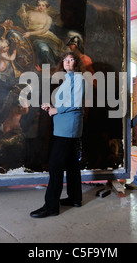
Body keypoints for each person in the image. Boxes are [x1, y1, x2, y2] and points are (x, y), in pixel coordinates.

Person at [30, 51, 85, 218]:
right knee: (72, 164)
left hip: (68, 128)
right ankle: (75, 198)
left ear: (76, 63)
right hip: (64, 126)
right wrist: (51, 105)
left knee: (55, 166)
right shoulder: (68, 79)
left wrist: (56, 109)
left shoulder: (78, 78)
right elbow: (67, 102)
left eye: (71, 60)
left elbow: (75, 103)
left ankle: (51, 207)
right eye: (65, 60)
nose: (67, 62)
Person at [17, 0, 63, 68]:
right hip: (30, 35)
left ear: (46, 7)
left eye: (43, 5)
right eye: (39, 5)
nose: (41, 7)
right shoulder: (30, 13)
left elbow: (43, 31)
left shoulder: (48, 18)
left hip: (44, 36)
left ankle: (49, 69)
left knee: (44, 50)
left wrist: (30, 33)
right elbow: (23, 19)